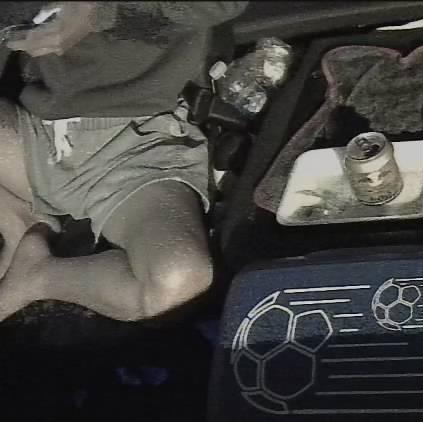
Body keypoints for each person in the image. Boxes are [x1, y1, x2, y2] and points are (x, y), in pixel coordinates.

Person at [0, 1, 248, 322]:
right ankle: (20, 224)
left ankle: (38, 276)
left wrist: (97, 13)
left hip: (137, 144)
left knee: (177, 278)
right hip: (33, 127)